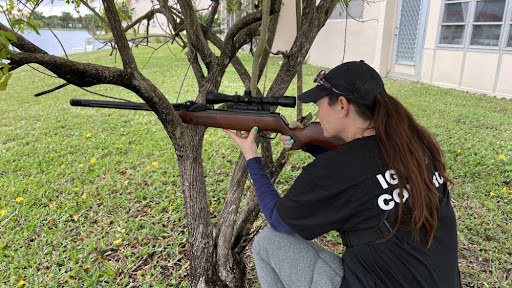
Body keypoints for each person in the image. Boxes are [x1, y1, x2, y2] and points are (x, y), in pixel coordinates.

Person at [224, 60, 461, 288]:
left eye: (318, 103)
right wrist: (308, 143)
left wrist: (251, 156)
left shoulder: (334, 169)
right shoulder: (416, 147)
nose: (316, 113)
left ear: (342, 105)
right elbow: (364, 178)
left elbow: (279, 220)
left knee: (268, 242)